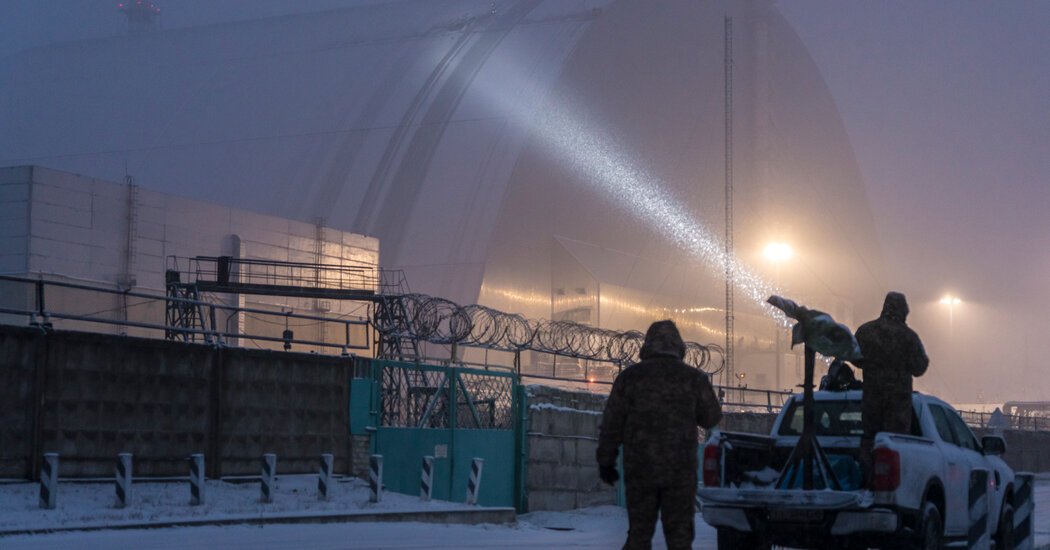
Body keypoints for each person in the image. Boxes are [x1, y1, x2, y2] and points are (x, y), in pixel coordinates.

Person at [596, 320, 722, 550]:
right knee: (680, 537)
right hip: (680, 472)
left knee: (639, 535)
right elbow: (711, 418)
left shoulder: (630, 378)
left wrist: (606, 461)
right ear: (679, 346)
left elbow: (612, 423)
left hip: (640, 469)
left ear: (647, 346)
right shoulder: (694, 378)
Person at [853, 292, 929, 483]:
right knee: (896, 448)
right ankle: (891, 487)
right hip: (898, 409)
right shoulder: (909, 337)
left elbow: (855, 358)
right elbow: (920, 367)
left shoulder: (865, 332)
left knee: (869, 442)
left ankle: (867, 482)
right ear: (903, 311)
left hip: (871, 404)